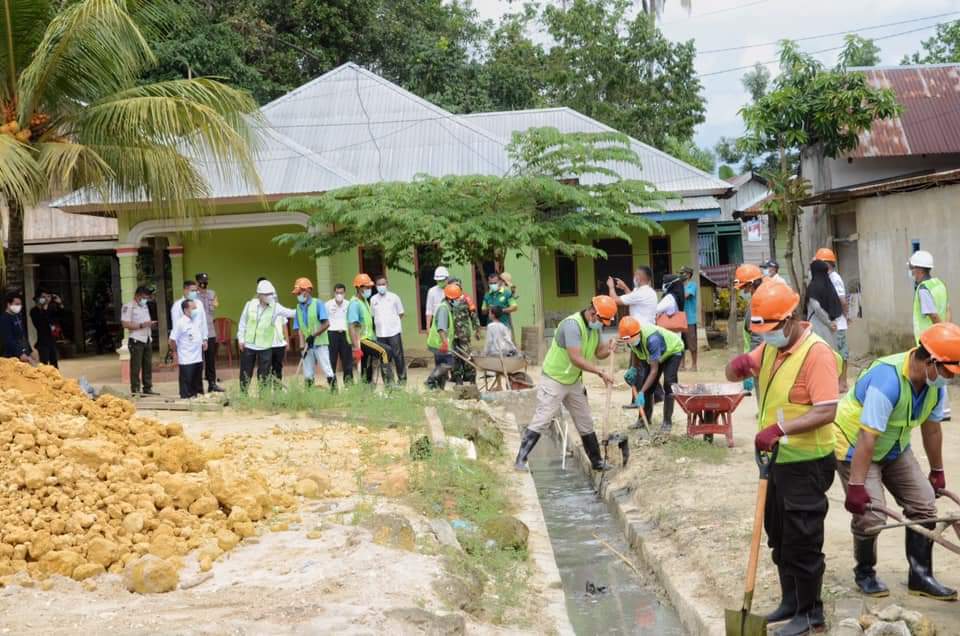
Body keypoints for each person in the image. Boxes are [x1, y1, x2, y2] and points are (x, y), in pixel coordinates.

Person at [725, 282, 840, 636]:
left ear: (790, 320)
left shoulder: (817, 354)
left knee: (803, 540)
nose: (767, 337)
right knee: (778, 534)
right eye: (762, 332)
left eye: (772, 330)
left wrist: (779, 429)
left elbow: (827, 410)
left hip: (808, 462)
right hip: (776, 460)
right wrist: (737, 366)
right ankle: (790, 601)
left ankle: (811, 614)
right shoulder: (772, 347)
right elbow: (736, 372)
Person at [835, 322, 960, 602]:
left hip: (894, 448)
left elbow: (931, 429)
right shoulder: (887, 380)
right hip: (857, 446)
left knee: (924, 504)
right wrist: (856, 485)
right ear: (930, 362)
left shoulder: (934, 386)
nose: (950, 379)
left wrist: (937, 470)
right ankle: (865, 572)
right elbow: (867, 437)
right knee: (871, 515)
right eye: (948, 372)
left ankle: (920, 576)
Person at [514, 295, 618, 472]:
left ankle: (597, 462)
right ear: (593, 313)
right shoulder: (572, 325)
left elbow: (598, 352)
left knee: (585, 421)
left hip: (573, 380)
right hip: (554, 379)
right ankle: (520, 460)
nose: (603, 325)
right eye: (602, 321)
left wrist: (609, 348)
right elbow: (575, 358)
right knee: (542, 419)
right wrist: (600, 372)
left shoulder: (595, 327)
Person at [618, 316, 684, 433]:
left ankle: (667, 422)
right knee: (647, 384)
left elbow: (654, 371)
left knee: (669, 384)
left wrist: (641, 392)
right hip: (654, 354)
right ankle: (643, 420)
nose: (627, 342)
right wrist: (633, 368)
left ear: (637, 333)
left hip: (672, 352)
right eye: (626, 340)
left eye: (629, 339)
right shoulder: (630, 337)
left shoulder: (653, 340)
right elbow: (634, 350)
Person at [910, 250, 951, 420]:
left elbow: (932, 314)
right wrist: (946, 330)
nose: (911, 272)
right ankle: (945, 410)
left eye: (912, 268)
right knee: (939, 370)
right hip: (939, 336)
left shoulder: (923, 289)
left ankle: (936, 410)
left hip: (929, 339)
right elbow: (948, 308)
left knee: (930, 373)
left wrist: (940, 331)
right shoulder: (939, 284)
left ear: (919, 269)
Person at [608, 267, 659, 407]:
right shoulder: (646, 292)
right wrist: (625, 287)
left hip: (640, 334)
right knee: (641, 366)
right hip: (642, 333)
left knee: (638, 368)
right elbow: (632, 298)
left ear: (640, 277)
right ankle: (654, 395)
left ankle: (639, 399)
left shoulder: (642, 293)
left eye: (636, 275)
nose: (634, 277)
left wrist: (611, 287)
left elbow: (615, 300)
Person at [237, 279, 295, 392]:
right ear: (260, 295)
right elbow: (243, 322)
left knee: (264, 375)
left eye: (271, 294)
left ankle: (264, 396)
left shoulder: (275, 306)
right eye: (267, 294)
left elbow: (291, 313)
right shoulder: (249, 305)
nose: (270, 296)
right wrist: (241, 339)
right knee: (245, 372)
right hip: (249, 345)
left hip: (265, 347)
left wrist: (305, 308)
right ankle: (243, 395)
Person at [348, 273, 393, 385]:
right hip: (362, 340)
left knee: (366, 366)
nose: (369, 289)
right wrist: (355, 348)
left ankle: (366, 388)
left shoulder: (364, 302)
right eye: (367, 287)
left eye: (370, 287)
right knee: (385, 351)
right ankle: (389, 384)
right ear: (359, 288)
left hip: (368, 338)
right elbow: (352, 326)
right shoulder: (354, 304)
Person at [817, 249, 850, 391]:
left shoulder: (835, 279)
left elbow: (842, 301)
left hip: (838, 323)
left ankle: (842, 383)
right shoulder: (827, 278)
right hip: (831, 324)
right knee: (832, 354)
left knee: (841, 353)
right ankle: (835, 382)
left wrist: (846, 316)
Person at [292, 277, 334, 389]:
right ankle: (309, 393)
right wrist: (302, 346)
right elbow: (299, 328)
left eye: (300, 293)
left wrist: (313, 335)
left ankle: (334, 392)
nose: (298, 295)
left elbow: (326, 324)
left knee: (327, 368)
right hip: (307, 345)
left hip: (320, 343)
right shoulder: (298, 308)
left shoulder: (318, 303)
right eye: (297, 294)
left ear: (308, 290)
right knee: (308, 373)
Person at [120, 286, 157, 396]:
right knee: (136, 366)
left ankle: (148, 388)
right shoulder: (128, 306)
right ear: (137, 295)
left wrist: (150, 324)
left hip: (147, 338)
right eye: (144, 297)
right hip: (136, 339)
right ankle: (135, 389)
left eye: (147, 298)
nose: (145, 300)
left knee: (147, 365)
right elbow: (125, 324)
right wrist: (141, 325)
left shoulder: (144, 306)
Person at [371, 275, 406, 383]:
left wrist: (392, 322)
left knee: (398, 356)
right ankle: (388, 381)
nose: (381, 286)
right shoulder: (373, 299)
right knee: (384, 357)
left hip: (393, 332)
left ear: (387, 284)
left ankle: (402, 379)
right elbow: (373, 315)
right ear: (376, 286)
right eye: (379, 284)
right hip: (380, 334)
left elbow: (401, 313)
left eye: (383, 284)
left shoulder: (394, 297)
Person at [425, 283, 460, 390]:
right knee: (448, 363)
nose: (458, 300)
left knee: (442, 365)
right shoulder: (444, 309)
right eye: (457, 298)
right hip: (439, 343)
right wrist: (445, 343)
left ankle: (439, 389)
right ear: (451, 299)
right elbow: (441, 328)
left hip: (441, 342)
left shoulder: (447, 307)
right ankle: (430, 380)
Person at [168, 299, 205, 399]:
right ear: (185, 310)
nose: (196, 310)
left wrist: (203, 341)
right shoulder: (180, 323)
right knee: (187, 389)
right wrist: (175, 352)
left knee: (197, 387)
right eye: (193, 308)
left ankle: (197, 397)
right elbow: (172, 340)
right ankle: (186, 398)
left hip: (198, 358)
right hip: (186, 359)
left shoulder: (195, 321)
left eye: (196, 308)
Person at [804, 259, 842, 351]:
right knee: (831, 351)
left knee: (819, 352)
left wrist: (828, 323)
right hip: (832, 327)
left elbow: (817, 308)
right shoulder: (829, 285)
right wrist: (832, 322)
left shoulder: (813, 286)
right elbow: (835, 305)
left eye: (810, 270)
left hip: (817, 327)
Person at [195, 272, 224, 393]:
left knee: (210, 359)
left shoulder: (212, 293)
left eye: (206, 281)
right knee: (198, 359)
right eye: (202, 282)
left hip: (210, 330)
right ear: (197, 282)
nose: (204, 283)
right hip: (197, 331)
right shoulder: (193, 296)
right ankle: (198, 387)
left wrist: (212, 300)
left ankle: (212, 384)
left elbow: (216, 303)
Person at [325, 283, 352, 385]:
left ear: (345, 293)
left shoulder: (349, 304)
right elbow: (324, 321)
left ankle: (349, 385)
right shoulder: (327, 305)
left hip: (345, 334)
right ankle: (333, 386)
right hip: (332, 335)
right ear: (334, 293)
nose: (339, 295)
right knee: (331, 361)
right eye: (337, 293)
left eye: (341, 292)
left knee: (347, 361)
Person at [30, 289, 62, 367]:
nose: (46, 299)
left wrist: (59, 303)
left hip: (52, 340)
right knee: (44, 364)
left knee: (54, 365)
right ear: (38, 298)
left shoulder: (51, 309)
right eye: (43, 297)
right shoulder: (34, 311)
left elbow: (61, 316)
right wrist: (43, 308)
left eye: (48, 296)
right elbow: (41, 325)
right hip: (43, 342)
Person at [171, 280, 207, 346]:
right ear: (185, 290)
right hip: (185, 344)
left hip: (199, 342)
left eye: (196, 291)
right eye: (192, 291)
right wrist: (175, 348)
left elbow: (203, 322)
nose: (195, 293)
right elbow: (176, 327)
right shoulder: (177, 305)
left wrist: (205, 338)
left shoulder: (199, 303)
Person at [0, 292, 32, 362]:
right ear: (9, 304)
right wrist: (20, 353)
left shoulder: (18, 316)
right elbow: (8, 339)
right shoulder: (4, 319)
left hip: (24, 351)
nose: (19, 306)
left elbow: (23, 335)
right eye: (17, 304)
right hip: (11, 356)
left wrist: (30, 350)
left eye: (20, 304)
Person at [680, 265, 698, 371]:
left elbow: (686, 295)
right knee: (680, 343)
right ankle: (682, 365)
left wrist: (677, 291)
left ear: (688, 275)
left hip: (690, 319)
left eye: (682, 273)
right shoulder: (680, 286)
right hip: (680, 319)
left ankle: (694, 365)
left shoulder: (692, 285)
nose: (681, 275)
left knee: (692, 343)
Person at [424, 266, 450, 331]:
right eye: (438, 281)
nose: (440, 282)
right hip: (436, 322)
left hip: (450, 322)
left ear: (447, 279)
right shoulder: (432, 291)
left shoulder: (453, 290)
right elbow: (429, 310)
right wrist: (428, 327)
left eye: (442, 280)